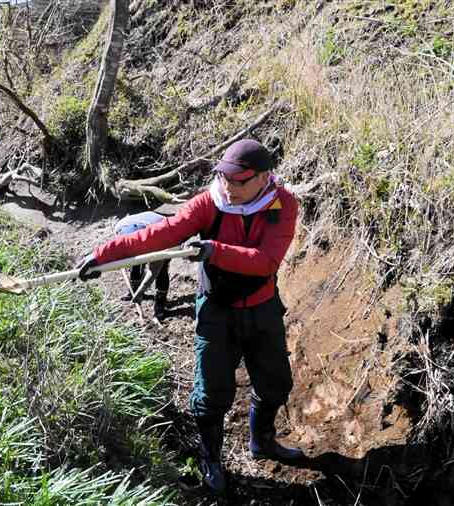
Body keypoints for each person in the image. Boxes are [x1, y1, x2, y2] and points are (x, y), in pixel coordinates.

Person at [75, 139, 304, 494]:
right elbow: (160, 234)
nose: (229, 187)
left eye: (239, 181)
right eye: (224, 178)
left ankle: (262, 441)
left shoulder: (283, 204)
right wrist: (103, 255)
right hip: (216, 311)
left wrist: (214, 250)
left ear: (263, 177)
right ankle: (210, 458)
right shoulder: (209, 203)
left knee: (275, 385)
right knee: (211, 394)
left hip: (262, 309)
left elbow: (266, 261)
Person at [113, 211, 171, 320]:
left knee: (162, 270)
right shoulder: (121, 234)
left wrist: (141, 291)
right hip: (131, 224)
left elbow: (154, 271)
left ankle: (160, 303)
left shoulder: (158, 238)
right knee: (135, 263)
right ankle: (133, 290)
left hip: (160, 227)